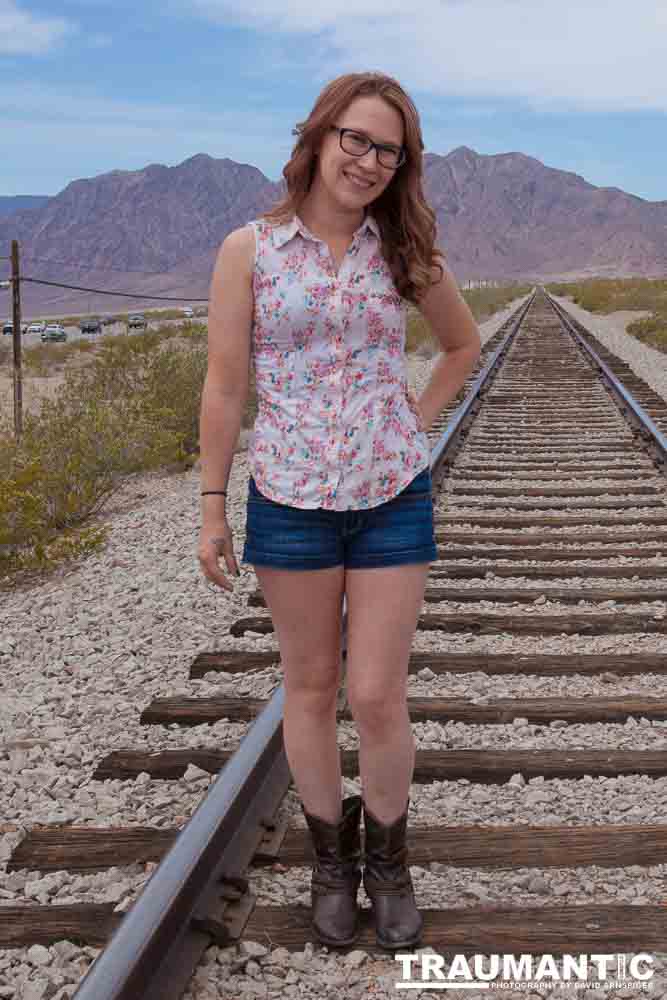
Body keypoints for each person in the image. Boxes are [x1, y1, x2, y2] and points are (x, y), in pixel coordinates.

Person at [198, 71, 481, 950]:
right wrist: (212, 504)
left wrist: (412, 424)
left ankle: (388, 864)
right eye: (353, 139)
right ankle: (333, 864)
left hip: (391, 496)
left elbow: (460, 345)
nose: (366, 160)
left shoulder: (403, 252)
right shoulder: (248, 248)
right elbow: (224, 380)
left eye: (385, 150)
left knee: (378, 694)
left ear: (401, 167)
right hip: (288, 500)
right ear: (318, 139)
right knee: (311, 690)